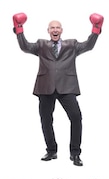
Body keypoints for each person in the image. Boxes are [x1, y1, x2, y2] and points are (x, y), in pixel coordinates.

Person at [13, 13, 103, 167]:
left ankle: (75, 153)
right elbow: (25, 47)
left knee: (76, 117)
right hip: (45, 86)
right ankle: (51, 150)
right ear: (48, 31)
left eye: (57, 27)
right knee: (46, 120)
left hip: (67, 86)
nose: (55, 30)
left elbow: (88, 45)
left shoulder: (72, 44)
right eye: (52, 28)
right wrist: (19, 29)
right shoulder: (41, 45)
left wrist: (96, 29)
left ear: (61, 30)